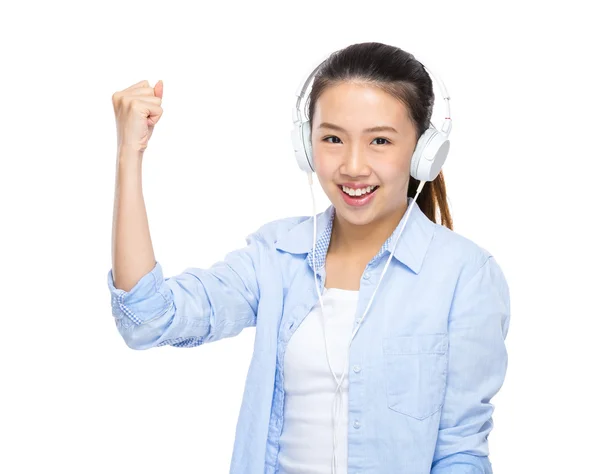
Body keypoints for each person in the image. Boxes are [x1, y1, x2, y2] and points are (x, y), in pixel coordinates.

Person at [108, 42, 510, 474]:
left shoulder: (465, 276)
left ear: (423, 152)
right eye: (332, 138)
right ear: (306, 144)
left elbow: (460, 454)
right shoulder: (276, 257)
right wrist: (130, 155)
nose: (353, 166)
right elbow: (147, 319)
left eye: (380, 141)